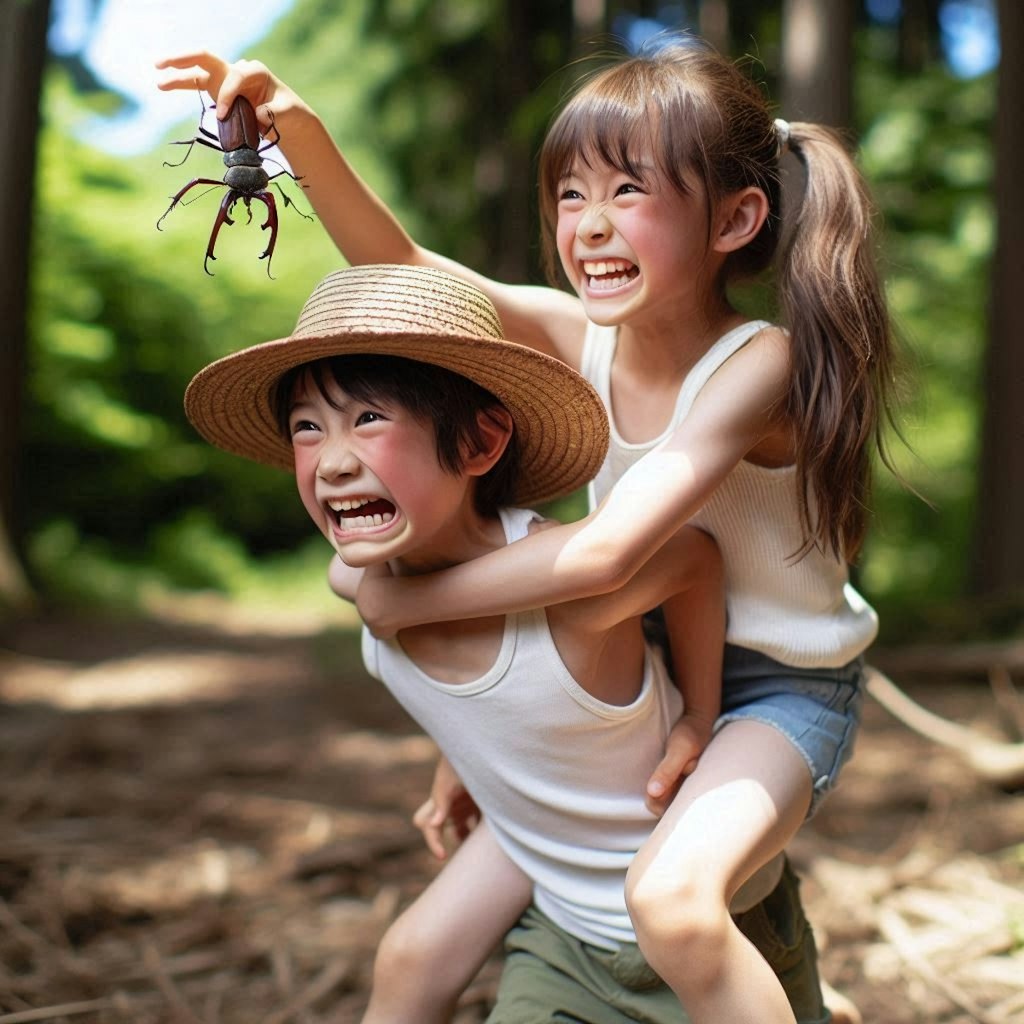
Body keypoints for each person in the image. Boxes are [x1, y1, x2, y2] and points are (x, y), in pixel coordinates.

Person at [157, 34, 889, 1022]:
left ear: (735, 219)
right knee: (425, 946)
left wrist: (393, 598)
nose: (586, 225)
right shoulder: (574, 334)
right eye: (568, 197)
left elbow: (603, 554)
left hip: (782, 690)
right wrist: (296, 129)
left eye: (627, 193)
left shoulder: (759, 363)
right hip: (643, 642)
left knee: (671, 903)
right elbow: (409, 272)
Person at [182, 263, 834, 1024]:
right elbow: (490, 703)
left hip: (715, 942)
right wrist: (457, 757)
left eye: (368, 420)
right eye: (306, 427)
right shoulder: (357, 578)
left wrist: (700, 711)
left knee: (675, 917)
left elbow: (694, 558)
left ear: (482, 442)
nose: (331, 460)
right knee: (409, 956)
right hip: (560, 927)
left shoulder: (569, 592)